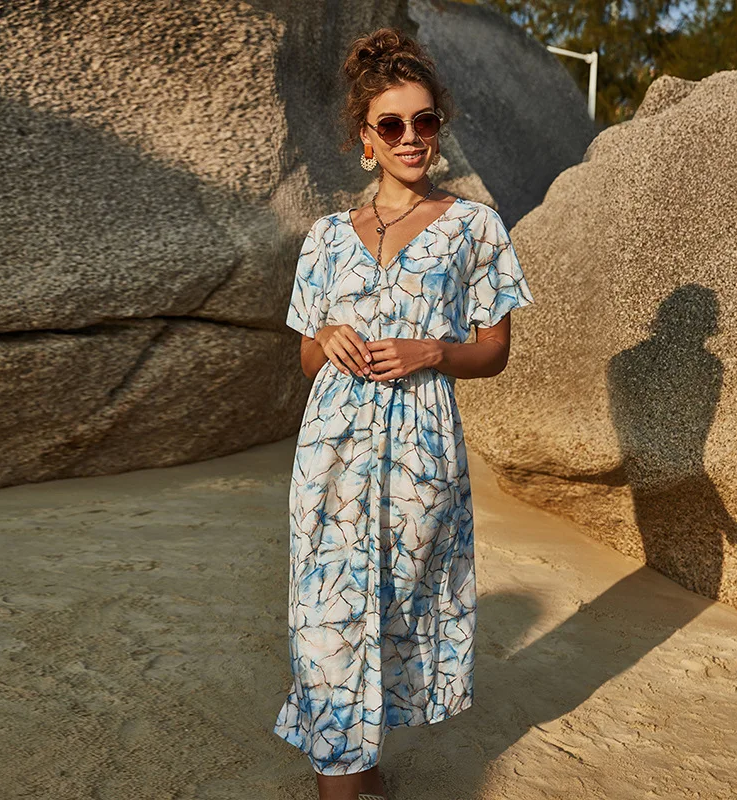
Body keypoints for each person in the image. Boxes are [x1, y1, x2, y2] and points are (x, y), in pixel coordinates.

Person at [273, 26, 535, 800]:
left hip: (421, 452)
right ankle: (347, 779)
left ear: (438, 127)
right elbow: (306, 358)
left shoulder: (475, 227)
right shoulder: (325, 238)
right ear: (366, 138)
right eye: (392, 124)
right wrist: (325, 338)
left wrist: (433, 351)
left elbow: (494, 351)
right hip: (330, 452)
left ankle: (361, 764)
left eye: (425, 120)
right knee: (326, 619)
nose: (411, 136)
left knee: (394, 608)